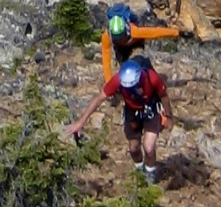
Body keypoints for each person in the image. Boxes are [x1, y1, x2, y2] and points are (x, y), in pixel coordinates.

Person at [68, 43, 173, 181]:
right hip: (132, 112)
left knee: (148, 147)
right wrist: (81, 122)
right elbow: (99, 98)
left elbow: (164, 96)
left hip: (150, 110)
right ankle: (139, 171)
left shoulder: (151, 77)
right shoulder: (118, 80)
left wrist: (169, 116)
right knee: (134, 148)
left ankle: (150, 175)